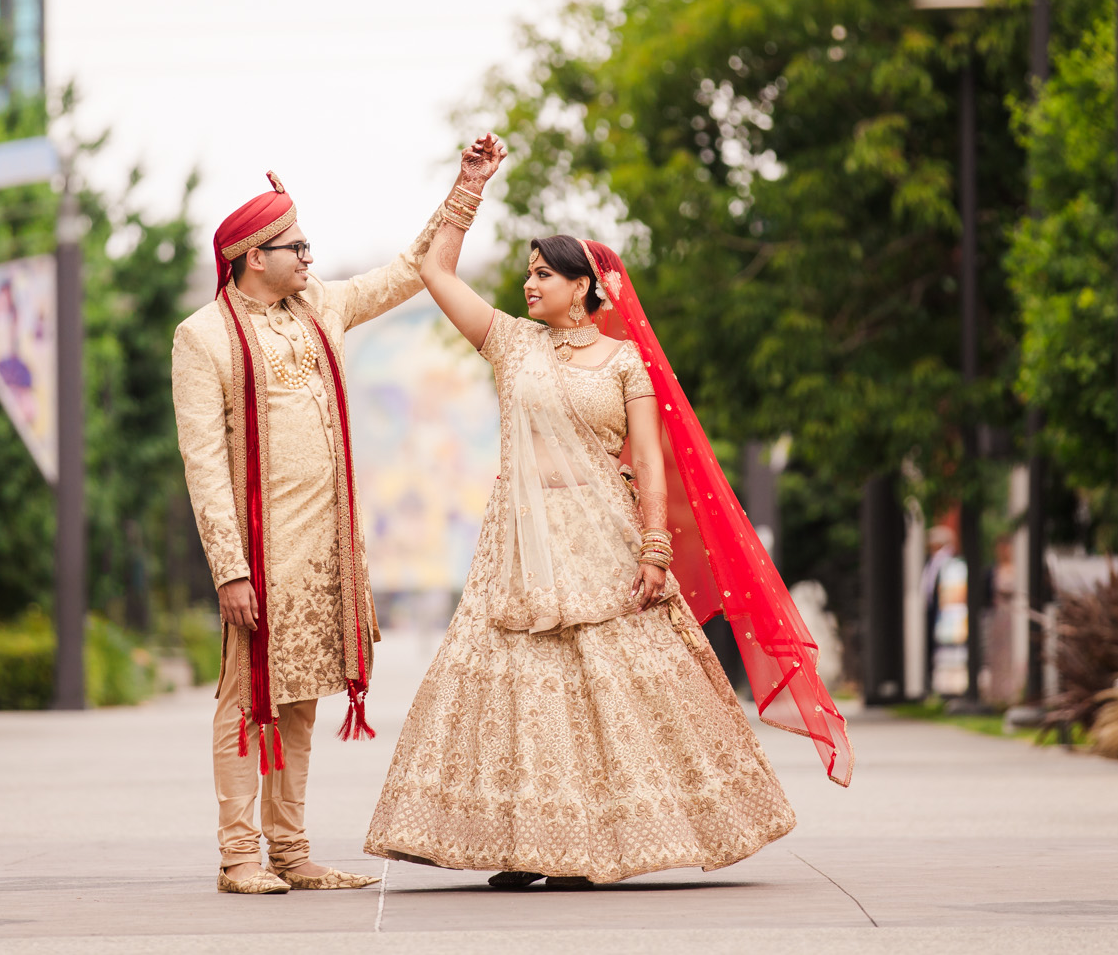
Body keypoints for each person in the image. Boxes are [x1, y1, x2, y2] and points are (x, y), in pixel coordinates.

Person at [364, 135, 853, 887]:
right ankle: (526, 845)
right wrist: (469, 187)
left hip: (606, 536)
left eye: (544, 274)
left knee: (613, 688)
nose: (530, 285)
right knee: (520, 686)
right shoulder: (511, 345)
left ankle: (599, 844)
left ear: (586, 286)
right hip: (521, 544)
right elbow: (434, 268)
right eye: (527, 273)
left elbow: (649, 462)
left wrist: (655, 551)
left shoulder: (626, 364)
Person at [172, 150, 496, 895]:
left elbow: (411, 268)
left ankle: (291, 853)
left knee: (301, 700)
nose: (310, 258)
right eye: (297, 248)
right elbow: (204, 466)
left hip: (325, 552)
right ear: (255, 258)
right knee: (245, 700)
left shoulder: (322, 306)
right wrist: (230, 567)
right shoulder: (204, 338)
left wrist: (465, 189)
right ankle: (238, 857)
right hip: (258, 555)